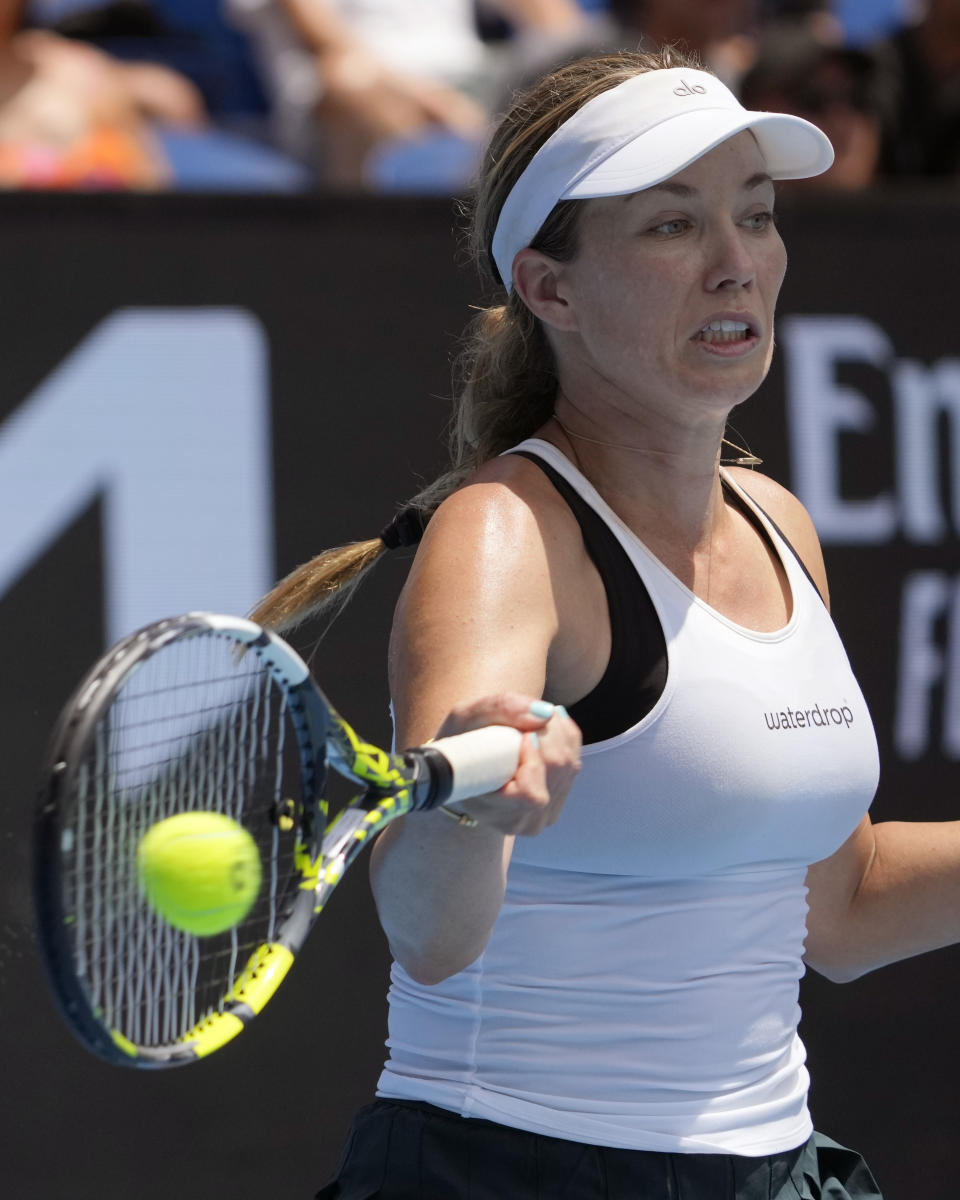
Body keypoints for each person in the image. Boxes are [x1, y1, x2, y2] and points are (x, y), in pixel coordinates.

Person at [249, 44, 960, 1199]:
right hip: (508, 1168)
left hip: (778, 1171)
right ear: (551, 287)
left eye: (758, 216)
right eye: (672, 228)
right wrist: (476, 812)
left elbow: (840, 906)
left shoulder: (778, 521)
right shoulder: (500, 535)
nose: (738, 264)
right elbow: (428, 933)